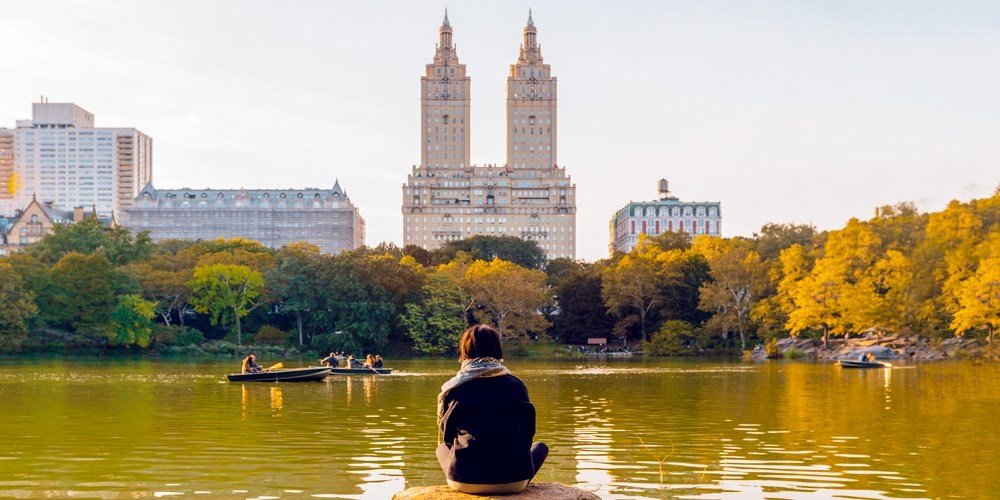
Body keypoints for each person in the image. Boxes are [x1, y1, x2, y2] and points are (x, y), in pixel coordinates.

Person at [436, 324, 547, 495]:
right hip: (514, 481)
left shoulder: (455, 389)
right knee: (541, 447)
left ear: (465, 350)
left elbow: (448, 437)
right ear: (497, 349)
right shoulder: (516, 386)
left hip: (464, 480)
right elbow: (528, 433)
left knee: (441, 448)